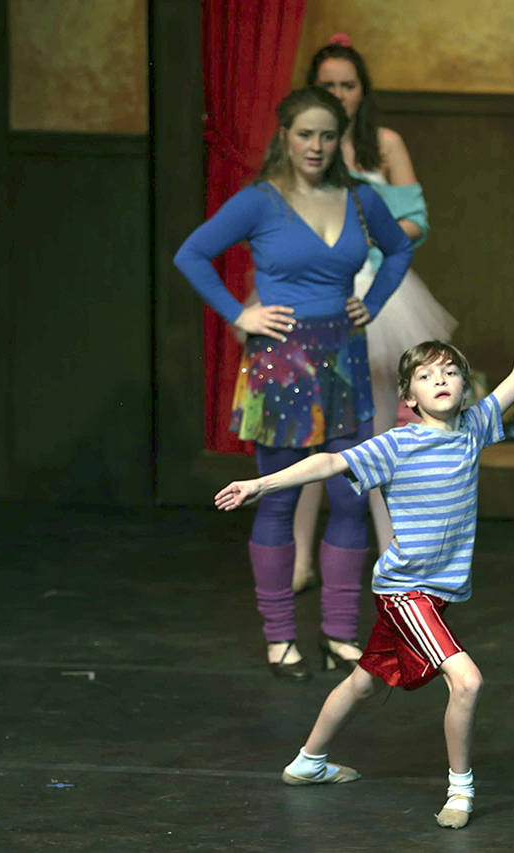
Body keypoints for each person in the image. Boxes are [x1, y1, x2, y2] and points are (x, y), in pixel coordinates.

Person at [215, 256, 514, 830]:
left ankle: (308, 761)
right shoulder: (395, 445)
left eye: (450, 372)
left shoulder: (474, 429)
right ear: (409, 396)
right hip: (408, 592)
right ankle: (460, 790)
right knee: (467, 680)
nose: (442, 381)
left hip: (438, 591)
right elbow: (328, 460)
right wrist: (261, 482)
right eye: (427, 376)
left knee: (365, 682)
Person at [174, 87, 413, 679]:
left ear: (339, 141)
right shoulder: (261, 201)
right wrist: (239, 314)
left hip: (344, 358)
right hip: (281, 364)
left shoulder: (359, 198)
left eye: (327, 135)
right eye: (306, 134)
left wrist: (373, 302)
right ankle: (280, 636)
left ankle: (339, 634)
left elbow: (400, 248)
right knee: (277, 498)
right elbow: (192, 254)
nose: (316, 145)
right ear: (285, 136)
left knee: (350, 499)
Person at [285, 34, 458, 594]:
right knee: (315, 431)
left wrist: (367, 235)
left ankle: (393, 556)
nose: (338, 93)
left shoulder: (384, 143)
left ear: (363, 91)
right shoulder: (307, 148)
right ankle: (300, 557)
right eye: (328, 85)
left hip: (380, 290)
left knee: (379, 432)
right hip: (319, 293)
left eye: (347, 84)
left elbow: (417, 219)